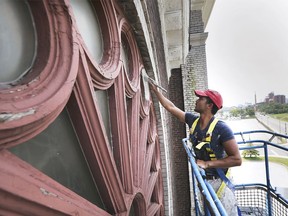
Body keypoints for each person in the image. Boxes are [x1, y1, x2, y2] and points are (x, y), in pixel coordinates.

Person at [150, 83, 242, 215]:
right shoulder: (193, 121)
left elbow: (237, 159)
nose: (197, 100)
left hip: (219, 182)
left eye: (200, 99)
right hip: (205, 180)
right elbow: (170, 107)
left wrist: (207, 163)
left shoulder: (222, 128)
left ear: (209, 105)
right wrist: (156, 91)